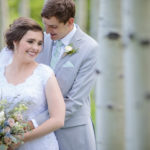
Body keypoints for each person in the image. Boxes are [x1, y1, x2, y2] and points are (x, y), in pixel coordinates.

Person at [0, 0, 98, 150]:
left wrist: (33, 123)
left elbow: (74, 101)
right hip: (29, 133)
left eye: (53, 26)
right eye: (45, 24)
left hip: (71, 131)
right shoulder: (39, 41)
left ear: (70, 22)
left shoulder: (89, 48)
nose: (47, 30)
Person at [0, 17, 65, 150]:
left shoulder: (45, 74)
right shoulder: (1, 70)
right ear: (15, 41)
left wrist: (19, 138)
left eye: (39, 43)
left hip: (39, 145)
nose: (35, 48)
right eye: (30, 41)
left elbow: (58, 119)